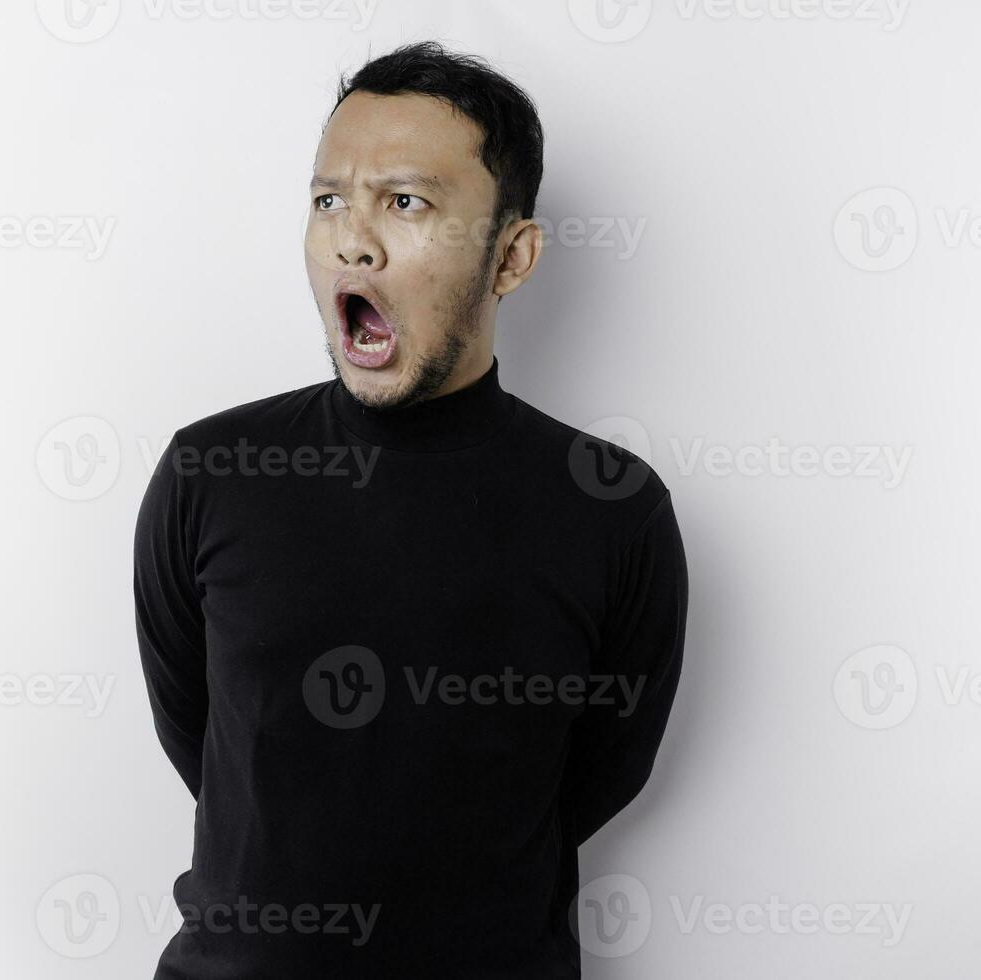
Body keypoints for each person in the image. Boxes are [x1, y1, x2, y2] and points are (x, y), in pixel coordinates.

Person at [134, 40, 688, 979]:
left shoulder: (613, 509)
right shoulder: (210, 471)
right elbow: (200, 732)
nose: (355, 238)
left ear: (511, 256)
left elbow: (600, 772)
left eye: (406, 202)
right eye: (328, 201)